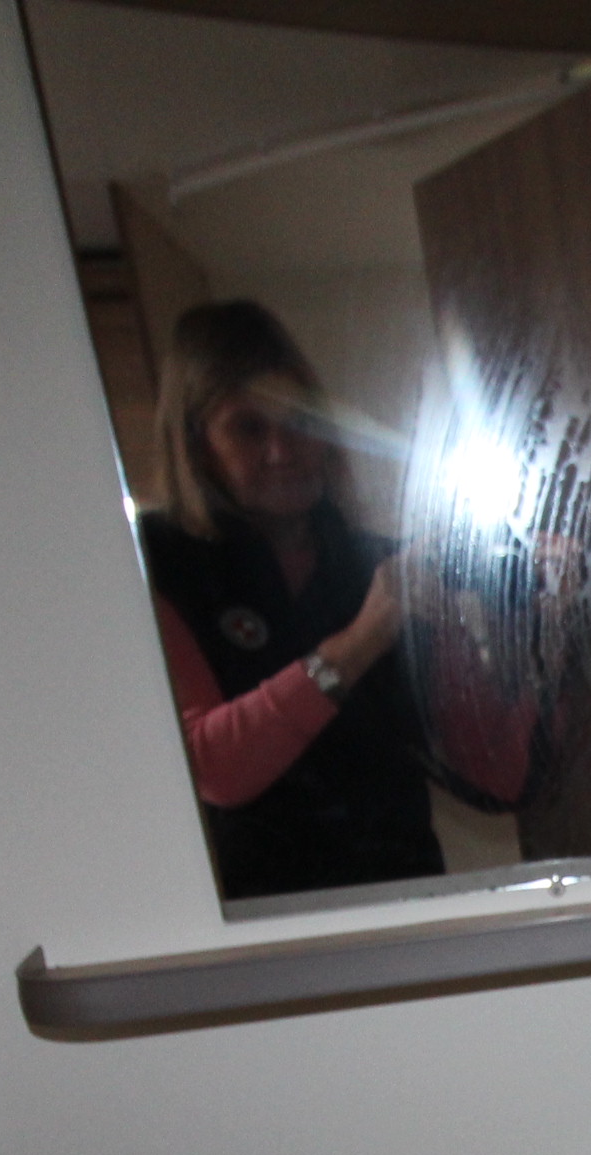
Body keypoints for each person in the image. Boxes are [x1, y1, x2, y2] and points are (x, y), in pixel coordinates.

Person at [140, 300, 441, 900]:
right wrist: (358, 645)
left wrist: (534, 631)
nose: (284, 450)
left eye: (301, 420)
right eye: (249, 428)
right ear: (198, 446)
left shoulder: (378, 564)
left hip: (406, 899)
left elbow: (485, 768)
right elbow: (213, 768)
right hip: (260, 921)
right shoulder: (161, 565)